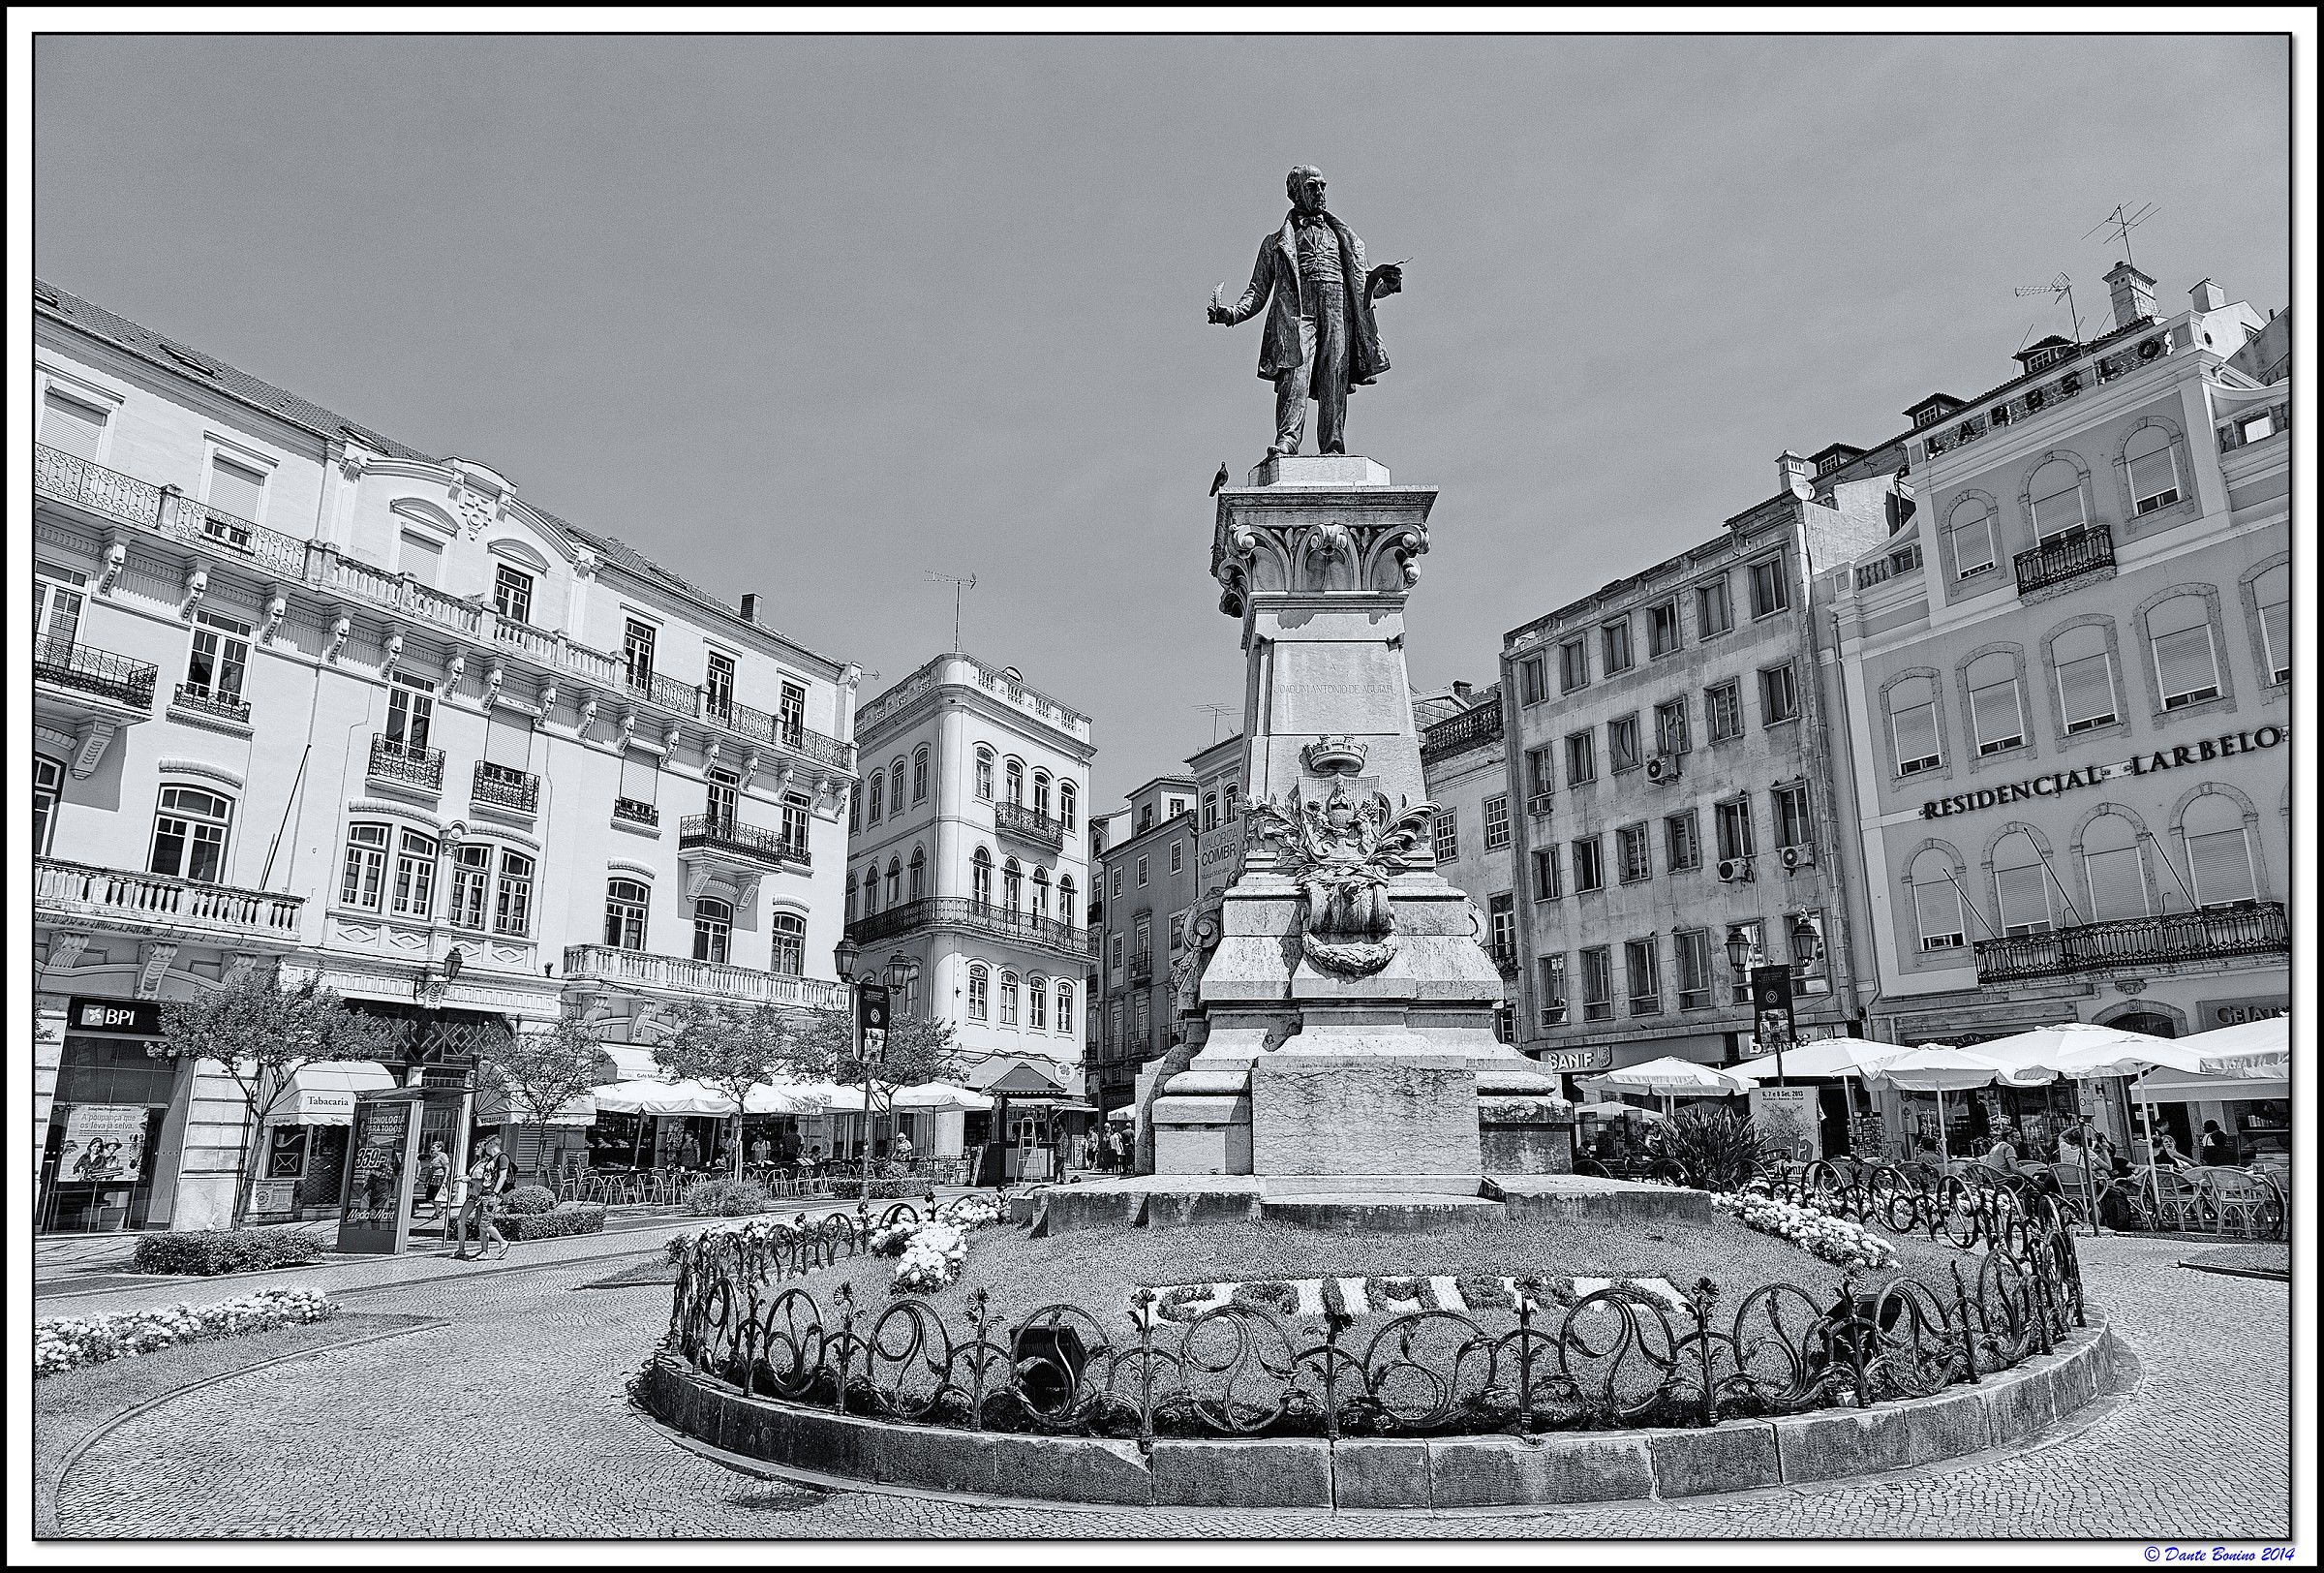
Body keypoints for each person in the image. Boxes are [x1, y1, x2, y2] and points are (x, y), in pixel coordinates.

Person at [1208, 165, 1405, 458]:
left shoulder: (1343, 237)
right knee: (1295, 377)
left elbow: (1362, 284)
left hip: (1339, 310)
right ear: (1294, 192)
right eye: (1313, 187)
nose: (1320, 193)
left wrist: (1385, 283)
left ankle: (1333, 445)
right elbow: (1257, 291)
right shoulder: (1275, 242)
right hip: (1299, 315)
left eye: (1323, 186)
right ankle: (1287, 440)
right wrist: (1232, 313)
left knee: (1334, 377)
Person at [454, 1135, 514, 1261]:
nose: (483, 1148)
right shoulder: (492, 1159)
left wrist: (494, 1194)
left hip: (490, 1195)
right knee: (482, 1225)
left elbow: (502, 1177)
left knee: (485, 1224)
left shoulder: (502, 1157)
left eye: (485, 1144)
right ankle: (484, 1252)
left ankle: (503, 1242)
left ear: (491, 1144)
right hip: (484, 1195)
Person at [417, 1140, 453, 1226]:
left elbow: (447, 1168)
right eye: (431, 1148)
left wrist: (445, 1178)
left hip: (439, 1177)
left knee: (437, 1197)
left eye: (434, 1148)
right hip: (433, 1178)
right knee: (429, 1197)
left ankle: (436, 1213)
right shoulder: (433, 1157)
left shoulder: (443, 1156)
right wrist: (426, 1180)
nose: (432, 1149)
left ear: (439, 1148)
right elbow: (430, 1170)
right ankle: (439, 1208)